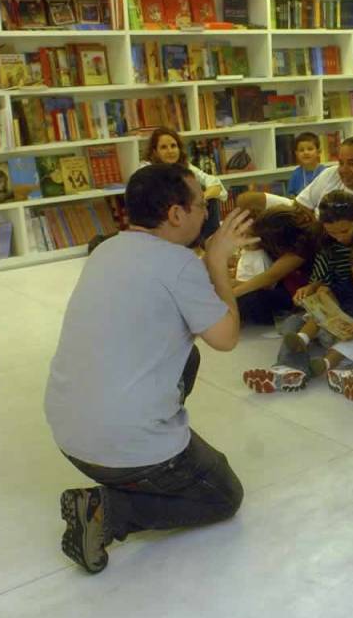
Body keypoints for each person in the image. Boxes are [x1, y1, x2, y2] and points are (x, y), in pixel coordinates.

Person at [45, 163, 252, 574]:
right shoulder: (181, 265)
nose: (205, 213)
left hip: (68, 435)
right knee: (223, 495)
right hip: (124, 449)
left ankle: (139, 459)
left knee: (186, 355)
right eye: (201, 205)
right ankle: (109, 510)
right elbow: (226, 337)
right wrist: (217, 263)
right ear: (175, 214)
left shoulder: (106, 249)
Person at [244, 191, 353, 400]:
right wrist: (308, 291)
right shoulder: (323, 235)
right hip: (340, 305)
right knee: (293, 322)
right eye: (332, 232)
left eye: (344, 230)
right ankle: (289, 370)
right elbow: (321, 279)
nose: (339, 237)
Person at [280, 240, 353, 379]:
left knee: (347, 347)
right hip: (333, 327)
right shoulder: (349, 282)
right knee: (316, 317)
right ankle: (302, 339)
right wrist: (325, 294)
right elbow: (334, 295)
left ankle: (325, 364)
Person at [142, 127, 227, 241]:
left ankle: (210, 242)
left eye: (173, 146)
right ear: (155, 151)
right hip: (162, 216)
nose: (170, 151)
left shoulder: (185, 166)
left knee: (211, 200)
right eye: (163, 147)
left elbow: (215, 184)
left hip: (184, 211)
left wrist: (202, 199)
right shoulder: (146, 169)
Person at [287, 131, 326, 197]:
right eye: (301, 150)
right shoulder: (295, 174)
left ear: (318, 152)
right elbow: (291, 195)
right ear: (296, 154)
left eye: (310, 149)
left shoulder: (324, 172)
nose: (306, 152)